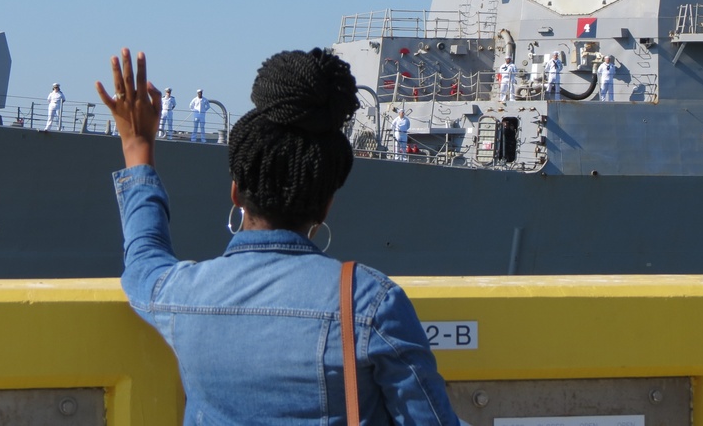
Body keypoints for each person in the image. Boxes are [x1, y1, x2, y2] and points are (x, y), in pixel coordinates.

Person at [96, 48, 458, 425]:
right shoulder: (372, 304)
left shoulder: (181, 294)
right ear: (326, 205)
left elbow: (144, 257)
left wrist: (137, 150)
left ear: (236, 192)